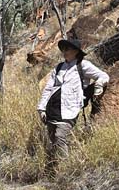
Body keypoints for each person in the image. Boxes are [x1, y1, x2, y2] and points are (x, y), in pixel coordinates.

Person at [37, 37, 109, 167]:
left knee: (60, 137)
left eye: (67, 49)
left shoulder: (83, 65)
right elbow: (48, 88)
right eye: (63, 49)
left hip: (70, 109)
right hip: (52, 109)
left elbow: (103, 76)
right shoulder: (59, 67)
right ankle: (53, 169)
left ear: (76, 51)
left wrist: (98, 86)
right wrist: (41, 108)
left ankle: (66, 168)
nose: (64, 51)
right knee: (53, 140)